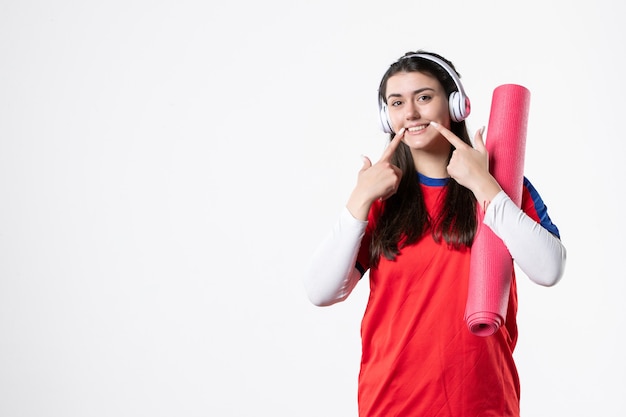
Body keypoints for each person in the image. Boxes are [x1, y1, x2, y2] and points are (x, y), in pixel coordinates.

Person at [304, 50, 567, 417]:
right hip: (391, 403)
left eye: (424, 98)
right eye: (397, 103)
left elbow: (549, 269)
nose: (410, 114)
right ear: (386, 116)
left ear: (456, 105)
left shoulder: (502, 185)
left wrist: (486, 188)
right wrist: (360, 198)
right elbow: (321, 291)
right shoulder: (380, 199)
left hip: (484, 404)